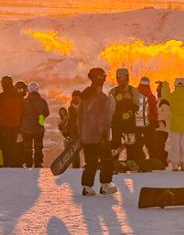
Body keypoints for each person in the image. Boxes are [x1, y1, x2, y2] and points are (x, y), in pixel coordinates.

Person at [78, 67, 116, 196]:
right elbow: (104, 117)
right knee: (106, 160)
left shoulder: (84, 97)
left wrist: (80, 134)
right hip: (99, 135)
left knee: (91, 161)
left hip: (86, 135)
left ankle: (87, 187)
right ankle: (105, 185)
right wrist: (104, 131)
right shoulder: (102, 98)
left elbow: (79, 117)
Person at [160, 78, 184, 171]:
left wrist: (165, 85)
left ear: (175, 85)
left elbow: (164, 95)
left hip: (174, 125)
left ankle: (175, 165)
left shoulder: (172, 96)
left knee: (174, 145)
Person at [0, 75, 22, 168]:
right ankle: (15, 164)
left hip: (4, 124)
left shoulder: (1, 96)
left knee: (5, 146)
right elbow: (23, 110)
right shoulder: (18, 95)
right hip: (16, 125)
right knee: (14, 145)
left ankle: (7, 164)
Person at [109, 68, 138, 168]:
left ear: (127, 78)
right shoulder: (113, 91)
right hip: (117, 122)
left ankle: (131, 162)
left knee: (131, 144)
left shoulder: (133, 91)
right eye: (119, 79)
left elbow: (137, 105)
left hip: (129, 122)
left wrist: (130, 113)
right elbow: (109, 107)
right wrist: (115, 101)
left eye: (123, 79)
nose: (121, 81)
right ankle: (113, 163)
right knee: (115, 143)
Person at [21, 82, 49, 168]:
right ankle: (38, 163)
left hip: (26, 127)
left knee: (27, 147)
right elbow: (46, 113)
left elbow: (20, 113)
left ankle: (28, 163)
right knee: (38, 147)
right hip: (39, 127)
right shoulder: (42, 101)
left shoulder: (24, 101)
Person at [134, 77, 158, 165]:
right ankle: (153, 162)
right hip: (149, 124)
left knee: (137, 144)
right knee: (151, 144)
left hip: (136, 125)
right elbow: (154, 111)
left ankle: (136, 160)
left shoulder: (134, 94)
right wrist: (155, 120)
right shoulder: (151, 96)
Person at [59, 90, 82, 169]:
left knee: (87, 153)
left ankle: (86, 167)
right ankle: (76, 169)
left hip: (83, 134)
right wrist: (63, 127)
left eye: (77, 97)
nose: (75, 99)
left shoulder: (84, 108)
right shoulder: (70, 109)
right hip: (74, 134)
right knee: (75, 154)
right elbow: (68, 121)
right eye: (74, 97)